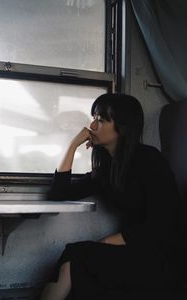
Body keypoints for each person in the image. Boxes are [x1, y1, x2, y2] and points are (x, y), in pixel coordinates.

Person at [41, 93, 184, 300]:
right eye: (94, 117)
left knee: (77, 256)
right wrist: (73, 145)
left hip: (164, 256)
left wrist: (107, 241)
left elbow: (161, 224)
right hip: (137, 250)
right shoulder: (106, 170)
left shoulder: (150, 160)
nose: (92, 125)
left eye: (101, 119)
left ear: (123, 128)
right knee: (76, 259)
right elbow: (58, 193)